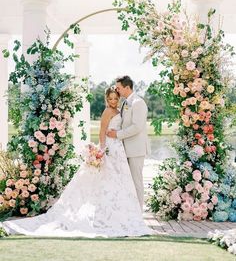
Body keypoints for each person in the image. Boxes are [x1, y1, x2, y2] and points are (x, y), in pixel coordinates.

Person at [2, 87, 152, 237]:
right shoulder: (107, 112)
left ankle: (121, 213)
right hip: (109, 149)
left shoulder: (120, 110)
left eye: (115, 98)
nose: (113, 101)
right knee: (107, 181)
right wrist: (102, 150)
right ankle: (105, 215)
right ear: (106, 99)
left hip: (119, 149)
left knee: (121, 182)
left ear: (118, 98)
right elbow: (101, 132)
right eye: (110, 99)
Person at [107, 76, 150, 211]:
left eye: (118, 88)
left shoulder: (138, 102)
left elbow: (137, 127)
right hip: (126, 149)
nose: (117, 90)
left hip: (136, 149)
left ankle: (139, 212)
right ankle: (131, 211)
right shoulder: (126, 103)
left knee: (136, 181)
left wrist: (117, 135)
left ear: (127, 87)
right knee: (129, 181)